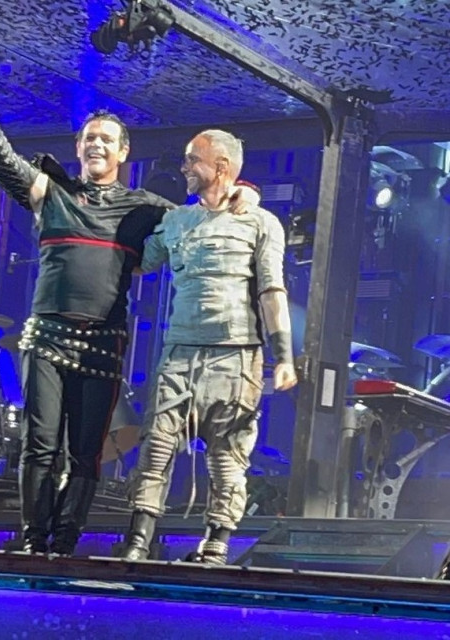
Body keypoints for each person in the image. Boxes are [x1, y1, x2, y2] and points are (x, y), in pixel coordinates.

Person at [0, 42, 259, 556]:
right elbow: (1, 160)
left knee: (86, 452)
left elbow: (203, 212)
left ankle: (65, 541)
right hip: (47, 337)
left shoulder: (146, 210)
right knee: (40, 445)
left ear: (123, 153)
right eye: (89, 138)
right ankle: (34, 541)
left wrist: (244, 189)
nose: (97, 144)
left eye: (107, 139)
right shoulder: (51, 194)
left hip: (102, 343)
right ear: (78, 148)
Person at [120, 129, 298, 565]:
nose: (184, 167)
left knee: (228, 454)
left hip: (236, 354)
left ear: (220, 166)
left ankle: (216, 543)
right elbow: (139, 261)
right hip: (180, 351)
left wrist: (284, 357)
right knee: (156, 445)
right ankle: (138, 540)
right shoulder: (178, 220)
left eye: (192, 159)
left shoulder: (260, 222)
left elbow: (272, 290)